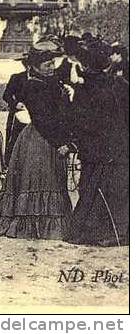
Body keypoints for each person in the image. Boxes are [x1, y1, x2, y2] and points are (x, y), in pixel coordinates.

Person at [0, 44, 73, 240]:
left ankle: (45, 223)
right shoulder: (33, 86)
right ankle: (31, 224)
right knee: (37, 178)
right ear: (35, 67)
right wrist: (59, 143)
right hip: (40, 138)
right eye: (46, 65)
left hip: (47, 136)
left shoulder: (51, 82)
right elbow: (42, 120)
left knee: (48, 178)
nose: (51, 67)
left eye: (52, 64)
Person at [64, 40, 129, 246]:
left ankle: (89, 232)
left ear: (86, 64)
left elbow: (78, 120)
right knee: (116, 190)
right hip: (118, 146)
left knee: (90, 188)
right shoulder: (120, 84)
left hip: (94, 147)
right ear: (107, 62)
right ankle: (115, 232)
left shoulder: (85, 88)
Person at [1, 53, 31, 170]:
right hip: (18, 114)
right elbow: (6, 95)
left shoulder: (41, 80)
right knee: (14, 139)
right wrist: (16, 104)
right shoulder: (16, 78)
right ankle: (9, 165)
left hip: (33, 114)